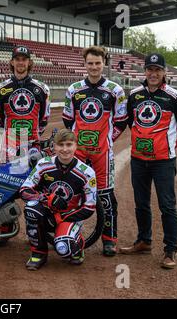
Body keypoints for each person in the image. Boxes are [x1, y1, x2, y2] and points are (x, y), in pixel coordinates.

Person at [119, 53, 177, 269]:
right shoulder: (134, 94)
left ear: (164, 72)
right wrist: (144, 142)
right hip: (139, 160)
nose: (153, 73)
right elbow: (132, 123)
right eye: (150, 69)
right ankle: (144, 241)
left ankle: (170, 250)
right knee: (141, 203)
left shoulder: (175, 97)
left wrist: (165, 146)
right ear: (145, 71)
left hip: (163, 162)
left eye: (157, 70)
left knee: (167, 205)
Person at [63, 46, 128, 256]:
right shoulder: (74, 89)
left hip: (103, 153)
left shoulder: (115, 90)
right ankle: (70, 236)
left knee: (106, 196)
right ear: (85, 64)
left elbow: (121, 121)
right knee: (73, 194)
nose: (94, 67)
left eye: (97, 63)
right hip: (78, 153)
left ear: (104, 64)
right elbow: (68, 120)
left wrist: (107, 139)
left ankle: (109, 239)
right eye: (90, 63)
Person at [0, 45, 51, 246]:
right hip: (8, 147)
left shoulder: (42, 88)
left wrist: (32, 139)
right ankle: (5, 230)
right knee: (5, 186)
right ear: (11, 62)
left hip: (33, 146)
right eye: (17, 59)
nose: (20, 62)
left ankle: (36, 229)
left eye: (24, 59)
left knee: (35, 186)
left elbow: (44, 119)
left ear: (29, 62)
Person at [19, 129, 97, 270]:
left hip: (70, 217)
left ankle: (77, 243)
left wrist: (64, 217)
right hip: (48, 213)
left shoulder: (87, 172)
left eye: (69, 144)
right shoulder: (44, 164)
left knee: (63, 248)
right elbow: (24, 190)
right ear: (54, 146)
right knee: (31, 207)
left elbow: (89, 207)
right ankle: (38, 253)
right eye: (61, 145)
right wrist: (46, 197)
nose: (65, 149)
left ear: (75, 146)